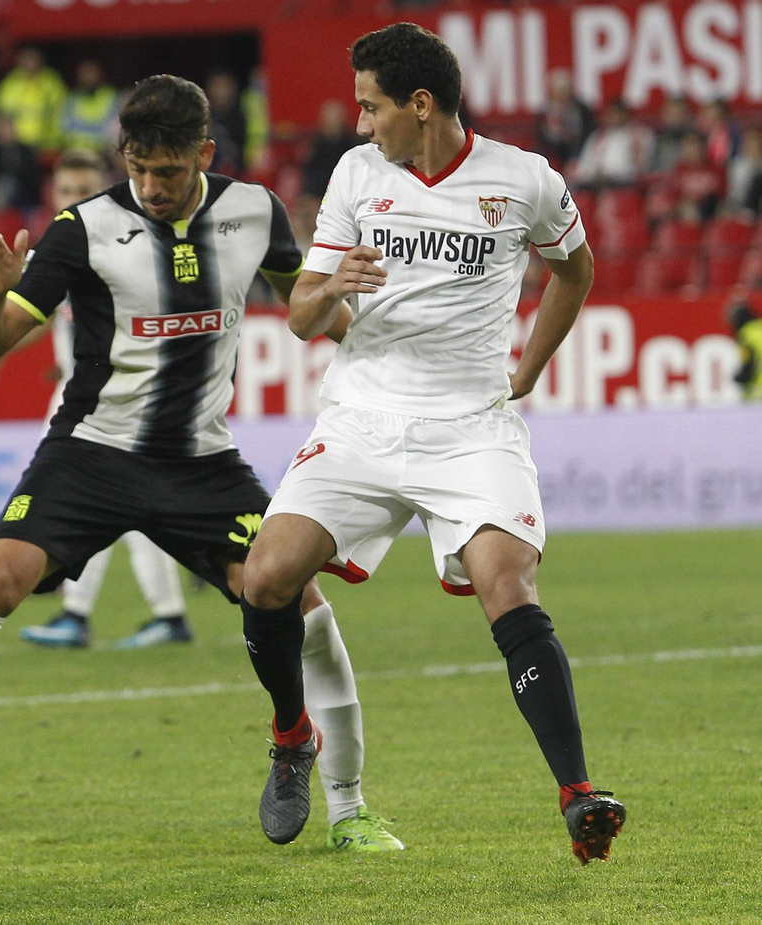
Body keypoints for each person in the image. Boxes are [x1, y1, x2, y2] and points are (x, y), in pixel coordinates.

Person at [0, 75, 403, 853]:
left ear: (205, 154)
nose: (151, 187)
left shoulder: (253, 211)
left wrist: (364, 328)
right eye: (138, 169)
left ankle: (349, 808)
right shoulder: (80, 229)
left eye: (169, 171)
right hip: (90, 453)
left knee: (300, 603)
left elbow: (308, 311)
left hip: (200, 461)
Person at [242, 22, 625, 864]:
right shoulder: (357, 174)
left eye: (370, 105)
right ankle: (292, 734)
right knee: (265, 575)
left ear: (420, 105)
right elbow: (301, 315)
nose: (359, 122)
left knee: (507, 582)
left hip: (468, 428)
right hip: (363, 416)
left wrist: (529, 367)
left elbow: (576, 269)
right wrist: (330, 287)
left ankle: (578, 794)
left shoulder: (524, 179)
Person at [13, 151, 194, 651]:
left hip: (119, 398)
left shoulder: (131, 243)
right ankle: (161, 610)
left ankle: (85, 611)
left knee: (90, 504)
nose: (75, 200)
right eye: (66, 191)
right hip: (77, 395)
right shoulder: (59, 245)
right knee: (120, 510)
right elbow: (43, 310)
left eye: (85, 190)